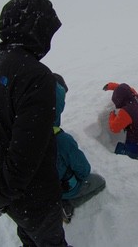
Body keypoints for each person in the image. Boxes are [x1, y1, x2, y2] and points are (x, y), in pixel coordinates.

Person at [0, 0, 70, 247]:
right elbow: (24, 159)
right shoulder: (36, 75)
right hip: (35, 196)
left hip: (8, 194)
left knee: (29, 234)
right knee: (50, 241)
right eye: (47, 32)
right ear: (35, 28)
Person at [53, 73, 106, 223]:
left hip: (38, 188)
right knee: (99, 182)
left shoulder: (23, 130)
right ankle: (66, 204)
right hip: (62, 188)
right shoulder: (61, 140)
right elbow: (84, 170)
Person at [103, 82, 138, 161]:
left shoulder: (127, 111)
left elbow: (114, 128)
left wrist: (112, 115)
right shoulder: (137, 98)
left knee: (119, 149)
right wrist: (111, 86)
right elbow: (128, 89)